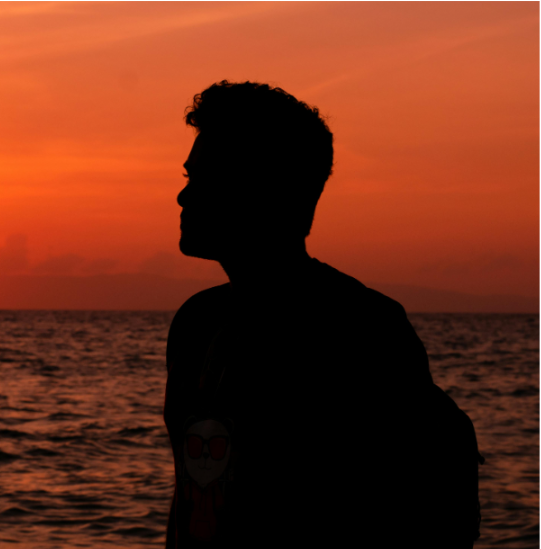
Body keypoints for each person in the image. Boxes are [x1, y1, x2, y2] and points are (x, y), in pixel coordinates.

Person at [163, 80, 483, 548]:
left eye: (205, 178)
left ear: (264, 189)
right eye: (189, 177)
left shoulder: (357, 329)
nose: (183, 198)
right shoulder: (198, 323)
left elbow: (440, 500)